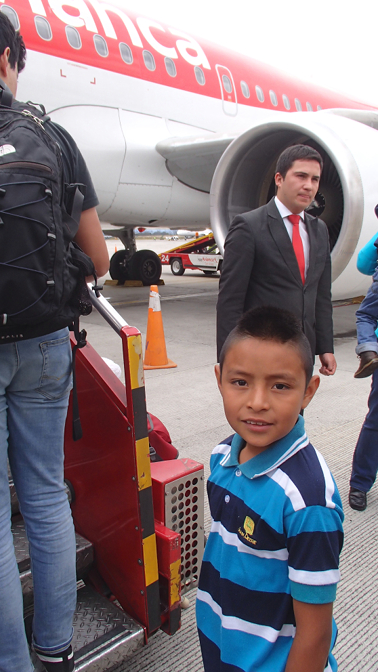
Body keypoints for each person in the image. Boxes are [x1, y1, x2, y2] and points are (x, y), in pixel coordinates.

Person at [0, 14, 109, 672]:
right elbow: (95, 257)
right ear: (9, 59)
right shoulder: (52, 135)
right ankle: (56, 649)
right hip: (44, 343)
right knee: (43, 493)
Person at [197, 306, 344, 672]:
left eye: (280, 386)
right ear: (219, 380)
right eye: (240, 382)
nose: (258, 402)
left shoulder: (307, 502)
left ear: (309, 391)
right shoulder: (221, 458)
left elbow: (315, 634)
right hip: (224, 648)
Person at [216, 144, 336, 379]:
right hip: (261, 350)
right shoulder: (249, 226)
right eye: (301, 176)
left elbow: (321, 295)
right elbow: (230, 299)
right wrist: (227, 356)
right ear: (279, 179)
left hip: (303, 351)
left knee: (296, 414)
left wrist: (325, 346)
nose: (308, 185)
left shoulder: (319, 229)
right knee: (261, 414)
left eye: (315, 179)